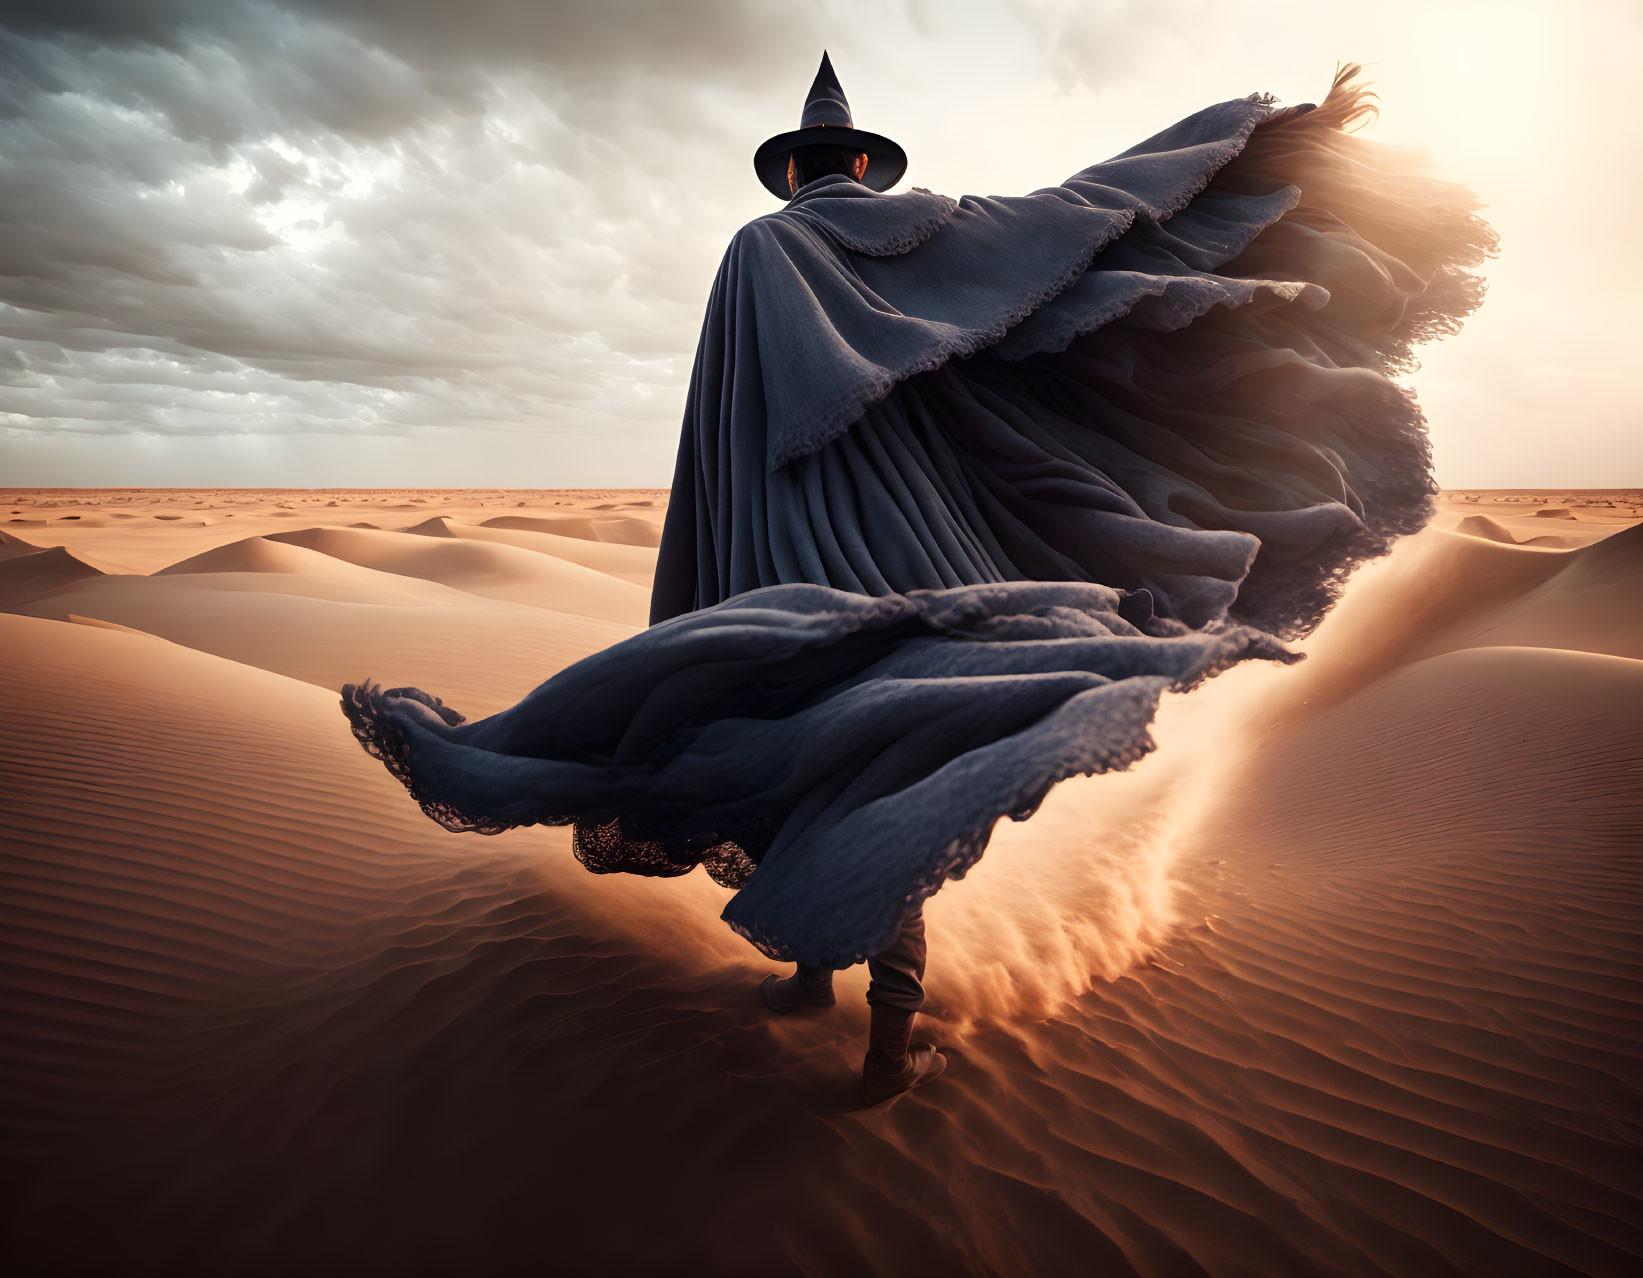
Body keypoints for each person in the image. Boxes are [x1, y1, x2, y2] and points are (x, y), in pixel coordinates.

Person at [341, 52, 1496, 1105]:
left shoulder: (756, 250)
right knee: (889, 735)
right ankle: (886, 1040)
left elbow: (717, 434)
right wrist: (1262, 142)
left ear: (796, 173)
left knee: (802, 725)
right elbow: (1084, 221)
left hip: (771, 548)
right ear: (859, 166)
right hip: (905, 534)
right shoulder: (930, 232)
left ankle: (818, 988)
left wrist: (703, 571)